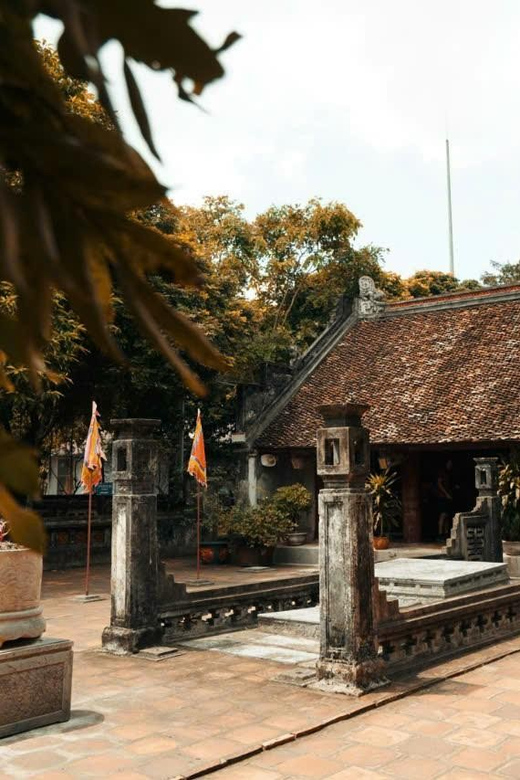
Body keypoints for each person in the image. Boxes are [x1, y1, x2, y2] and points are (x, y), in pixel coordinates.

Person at [437, 459, 454, 538]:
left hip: (448, 497)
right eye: (449, 463)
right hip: (442, 497)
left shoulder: (449, 473)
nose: (450, 465)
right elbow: (439, 484)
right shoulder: (442, 472)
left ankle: (446, 533)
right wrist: (446, 494)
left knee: (447, 515)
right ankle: (440, 534)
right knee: (443, 515)